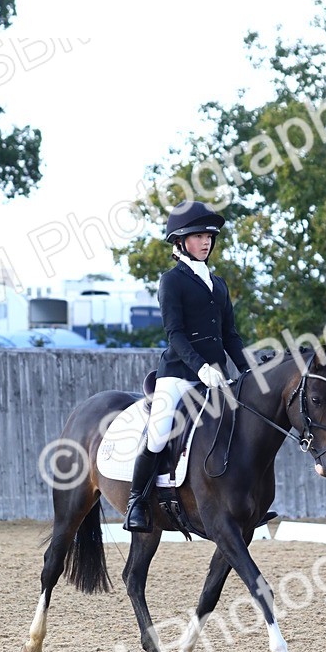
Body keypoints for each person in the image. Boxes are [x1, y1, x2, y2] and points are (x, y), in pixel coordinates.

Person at [123, 199, 252, 532]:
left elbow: (230, 336)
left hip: (216, 377)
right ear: (181, 241)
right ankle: (136, 502)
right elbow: (175, 334)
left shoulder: (218, 283)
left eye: (209, 235)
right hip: (179, 374)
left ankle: (243, 502)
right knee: (158, 434)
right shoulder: (172, 281)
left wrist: (248, 369)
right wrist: (200, 368)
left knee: (242, 427)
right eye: (198, 236)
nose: (206, 241)